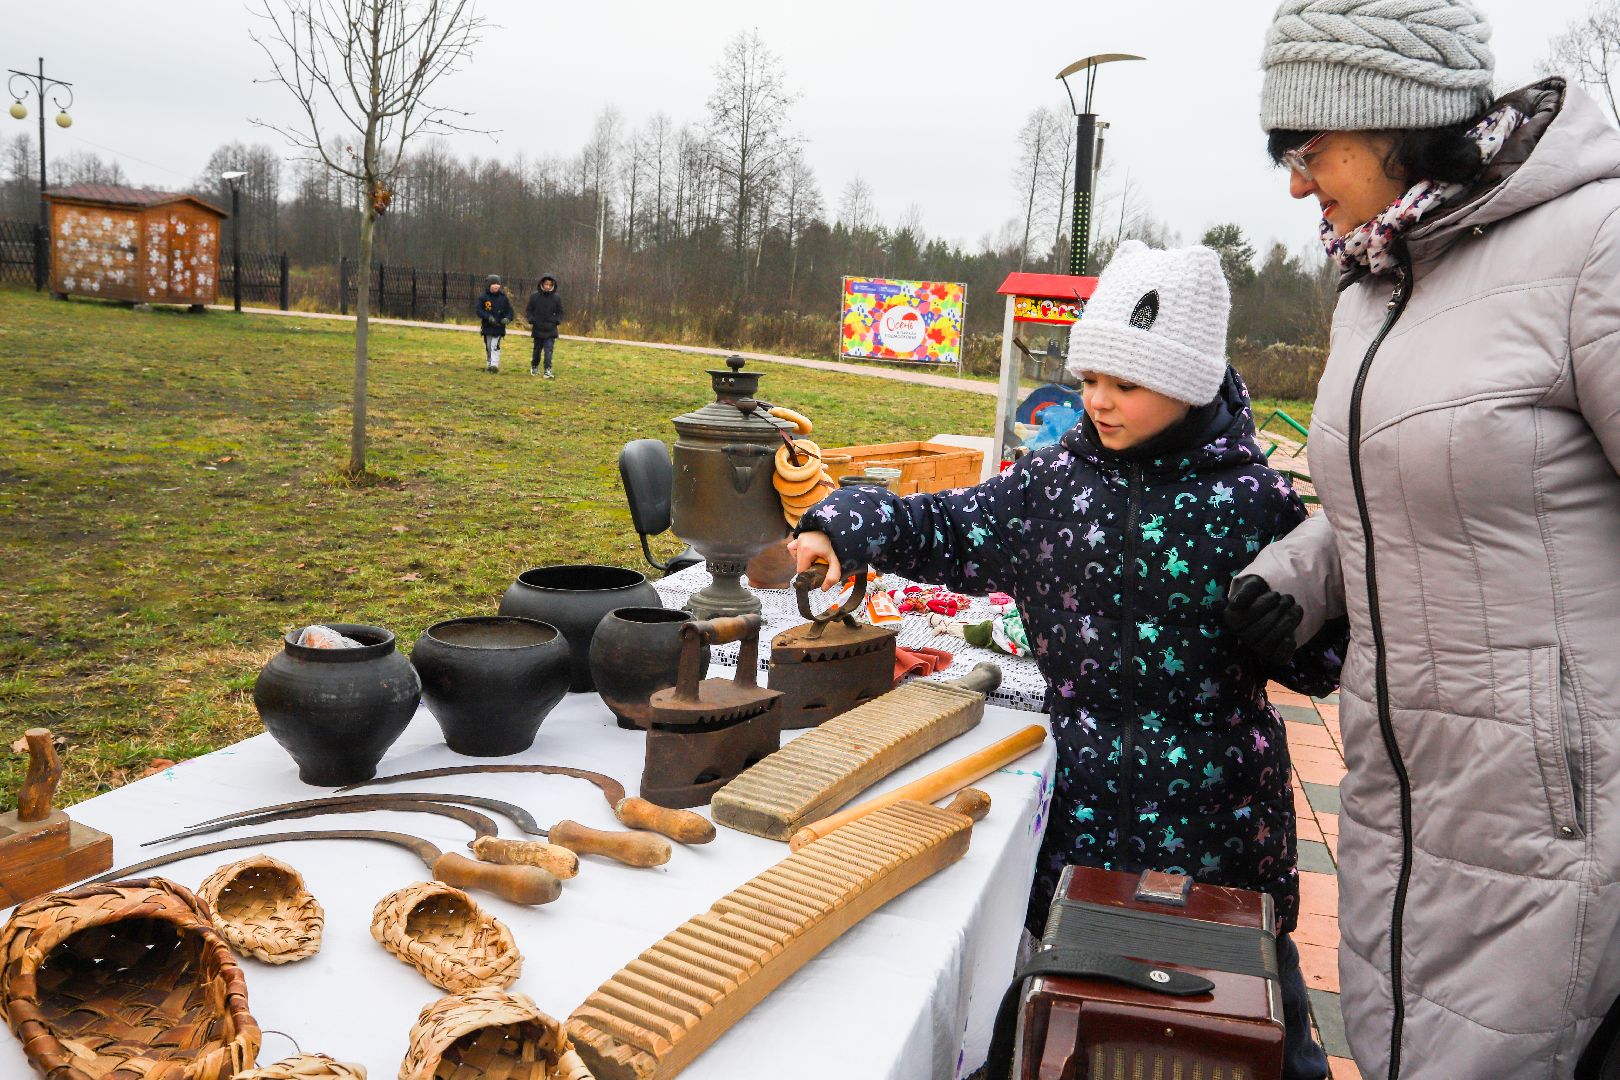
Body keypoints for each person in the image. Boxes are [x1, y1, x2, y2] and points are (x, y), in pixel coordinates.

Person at [791, 242, 1348, 1080]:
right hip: (1080, 803)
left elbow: (1324, 665)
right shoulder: (1049, 487)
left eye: (1125, 384)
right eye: (1089, 379)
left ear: (1191, 382)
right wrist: (844, 525)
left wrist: (1297, 632)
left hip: (1221, 816)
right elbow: (944, 526)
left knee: (1246, 1020)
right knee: (1068, 1009)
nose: (1097, 402)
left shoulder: (1253, 500)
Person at [1228, 2, 1620, 1076]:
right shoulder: (1376, 280)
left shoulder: (1596, 246)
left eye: (1306, 151)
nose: (1297, 184)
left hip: (1562, 822)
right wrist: (1303, 572)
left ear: (1389, 118)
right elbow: (1414, 482)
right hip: (1406, 797)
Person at [525, 274, 564, 378]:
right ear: (542, 284)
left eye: (550, 284)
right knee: (537, 350)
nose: (548, 286)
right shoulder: (534, 296)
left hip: (551, 329)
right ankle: (534, 366)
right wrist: (531, 320)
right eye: (546, 284)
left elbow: (560, 312)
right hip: (537, 328)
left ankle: (547, 370)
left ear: (553, 285)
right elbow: (528, 310)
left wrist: (556, 321)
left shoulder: (556, 298)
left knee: (549, 350)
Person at [475, 275, 514, 373]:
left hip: (499, 327)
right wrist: (488, 317)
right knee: (488, 346)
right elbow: (479, 310)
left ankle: (494, 365)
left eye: (498, 284)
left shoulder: (503, 298)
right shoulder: (483, 297)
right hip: (487, 326)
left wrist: (507, 319)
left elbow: (509, 311)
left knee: (494, 345)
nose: (496, 286)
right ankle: (489, 363)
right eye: (494, 284)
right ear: (489, 285)